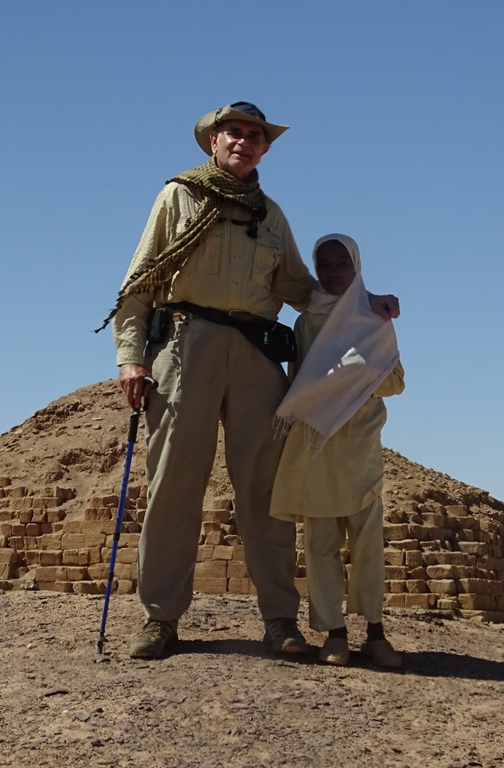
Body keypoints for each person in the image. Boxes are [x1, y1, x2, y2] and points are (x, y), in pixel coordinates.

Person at [100, 103, 400, 659]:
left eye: (254, 137)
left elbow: (302, 288)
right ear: (213, 142)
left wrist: (365, 301)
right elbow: (139, 280)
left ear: (265, 149)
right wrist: (131, 358)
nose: (244, 142)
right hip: (187, 345)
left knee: (264, 489)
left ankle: (280, 620)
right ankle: (160, 618)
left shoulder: (271, 215)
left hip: (256, 350)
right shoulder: (178, 197)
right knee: (174, 484)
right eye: (233, 133)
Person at [270, 233, 405, 668]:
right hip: (317, 446)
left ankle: (376, 633)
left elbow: (395, 381)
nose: (332, 273)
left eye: (341, 264)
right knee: (321, 543)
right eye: (324, 265)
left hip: (359, 445)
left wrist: (352, 375)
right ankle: (335, 634)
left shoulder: (375, 316)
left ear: (357, 266)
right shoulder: (307, 322)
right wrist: (343, 378)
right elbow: (304, 387)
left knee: (367, 544)